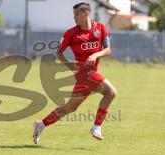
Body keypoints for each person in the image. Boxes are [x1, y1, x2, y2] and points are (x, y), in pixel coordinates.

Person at [33, 2, 117, 144]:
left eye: (77, 14)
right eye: (74, 14)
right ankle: (96, 127)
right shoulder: (71, 33)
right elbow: (58, 52)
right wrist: (67, 63)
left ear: (86, 14)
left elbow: (108, 50)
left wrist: (96, 54)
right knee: (111, 92)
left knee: (69, 108)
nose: (74, 17)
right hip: (83, 73)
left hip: (90, 74)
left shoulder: (100, 28)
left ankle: (41, 124)